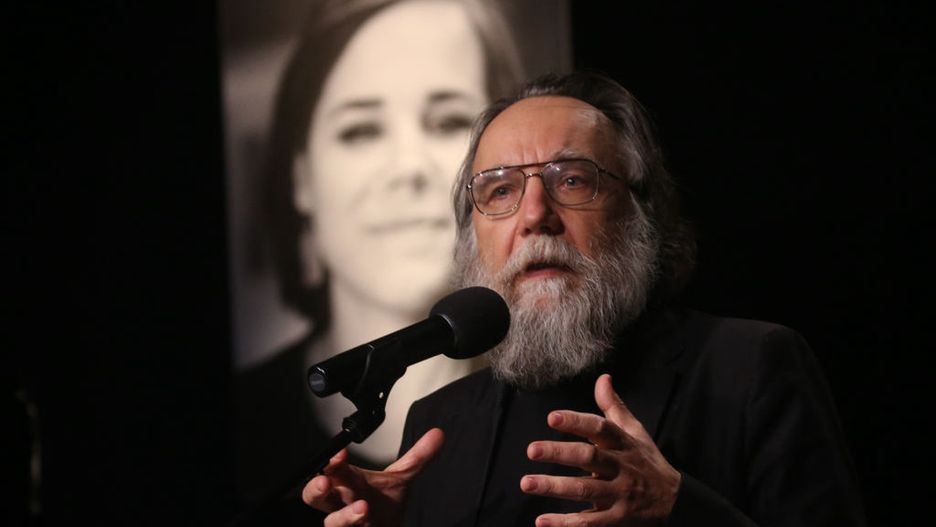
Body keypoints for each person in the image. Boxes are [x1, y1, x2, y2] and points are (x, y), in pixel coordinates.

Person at [301, 71, 867, 526]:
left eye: (571, 180)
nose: (534, 216)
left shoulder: (750, 366)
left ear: (639, 215)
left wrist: (678, 509)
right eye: (500, 190)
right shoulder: (437, 423)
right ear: (473, 237)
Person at [233, 0, 524, 519]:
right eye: (361, 130)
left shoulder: (563, 418)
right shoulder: (230, 422)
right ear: (301, 178)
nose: (408, 167)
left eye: (448, 120)